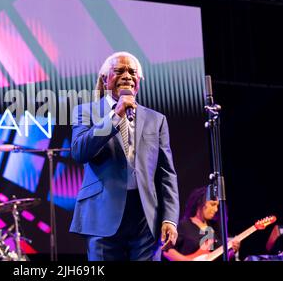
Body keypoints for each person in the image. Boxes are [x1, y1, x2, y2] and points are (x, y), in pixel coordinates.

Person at [69, 51, 180, 261]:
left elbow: (167, 174)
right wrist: (115, 116)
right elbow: (80, 151)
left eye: (132, 72)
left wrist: (170, 219)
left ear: (138, 81)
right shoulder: (85, 111)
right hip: (103, 215)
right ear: (105, 78)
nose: (127, 75)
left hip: (146, 219)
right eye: (119, 71)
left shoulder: (157, 120)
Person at [162, 187, 240, 261]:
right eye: (212, 204)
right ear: (200, 203)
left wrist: (231, 252)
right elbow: (166, 250)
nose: (216, 209)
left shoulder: (215, 227)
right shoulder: (184, 226)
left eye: (217, 206)